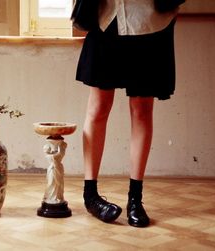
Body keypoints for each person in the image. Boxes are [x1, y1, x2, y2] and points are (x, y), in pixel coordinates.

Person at [75, 0, 180, 227]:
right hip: (106, 19)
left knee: (142, 110)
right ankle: (90, 195)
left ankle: (136, 199)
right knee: (99, 108)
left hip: (150, 23)